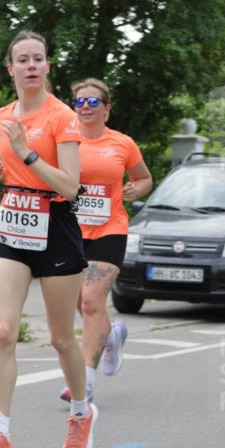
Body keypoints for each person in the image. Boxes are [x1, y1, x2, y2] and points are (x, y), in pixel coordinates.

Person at [0, 31, 96, 448]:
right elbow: (14, 171)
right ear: (10, 68)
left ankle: (81, 412)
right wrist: (1, 170)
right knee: (4, 330)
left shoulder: (63, 118)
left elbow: (71, 186)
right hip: (12, 222)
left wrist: (25, 155)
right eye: (22, 60)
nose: (30, 66)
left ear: (47, 66)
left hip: (55, 223)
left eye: (38, 59)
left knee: (61, 338)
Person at [59, 78, 152, 403]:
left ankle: (84, 381)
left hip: (109, 229)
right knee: (77, 304)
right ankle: (110, 336)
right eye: (79, 102)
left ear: (107, 108)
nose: (85, 107)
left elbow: (144, 178)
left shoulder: (122, 144)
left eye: (92, 102)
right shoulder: (65, 142)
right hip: (69, 232)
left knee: (90, 301)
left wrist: (134, 189)